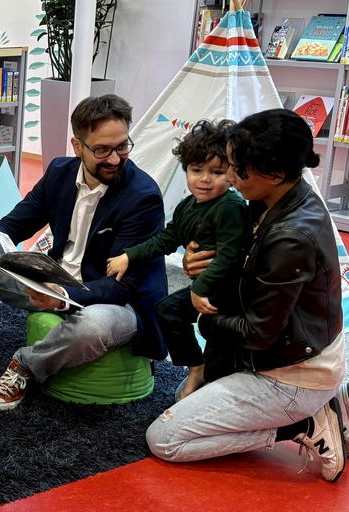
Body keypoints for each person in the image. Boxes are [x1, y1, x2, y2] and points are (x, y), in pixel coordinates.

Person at [146, 109, 349, 483]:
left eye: (236, 169)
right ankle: (326, 404)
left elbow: (259, 331)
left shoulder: (291, 235)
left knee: (164, 439)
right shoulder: (275, 199)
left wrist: (204, 318)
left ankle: (304, 423)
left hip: (290, 373)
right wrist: (198, 262)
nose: (228, 177)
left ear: (275, 173)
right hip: (294, 349)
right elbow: (239, 260)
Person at [0, 94, 168, 411]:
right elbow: (18, 221)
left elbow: (123, 283)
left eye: (122, 146)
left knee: (92, 326)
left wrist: (63, 295)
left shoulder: (143, 197)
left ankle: (24, 366)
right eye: (102, 149)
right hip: (56, 279)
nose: (115, 158)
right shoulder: (59, 173)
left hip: (119, 301)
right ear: (77, 146)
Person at [105, 119, 249, 400]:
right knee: (168, 310)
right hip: (208, 290)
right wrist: (129, 256)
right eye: (197, 170)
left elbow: (230, 257)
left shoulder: (230, 207)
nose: (205, 179)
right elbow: (166, 239)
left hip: (230, 291)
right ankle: (197, 367)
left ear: (231, 174)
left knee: (219, 344)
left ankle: (212, 385)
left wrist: (198, 288)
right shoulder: (188, 206)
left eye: (217, 172)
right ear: (186, 170)